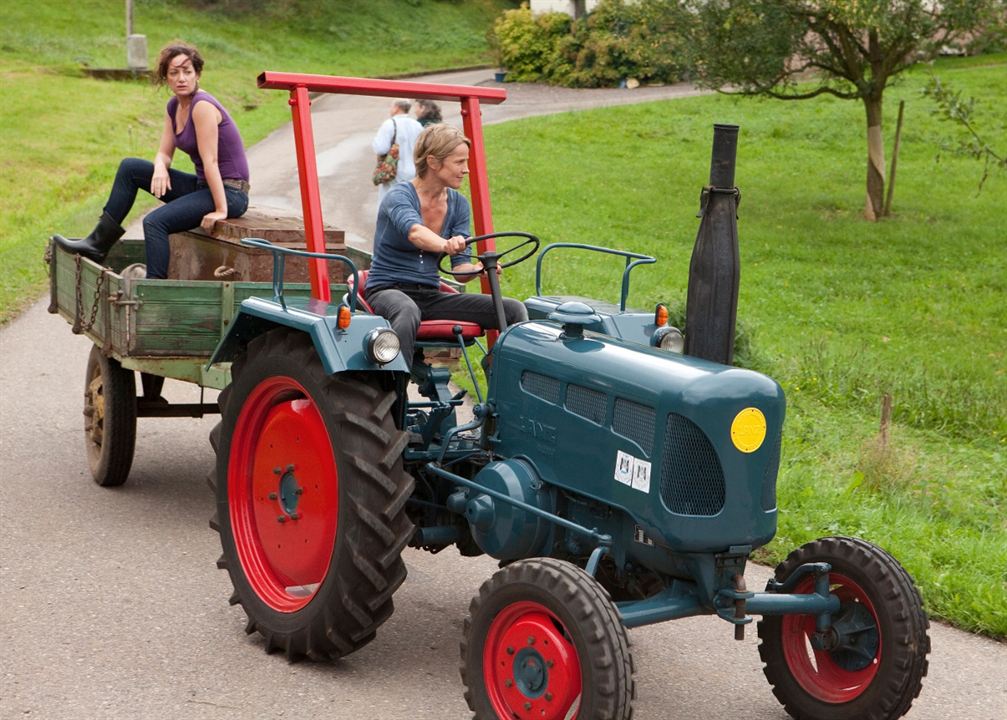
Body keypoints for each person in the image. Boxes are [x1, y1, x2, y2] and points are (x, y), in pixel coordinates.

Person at [54, 41, 250, 279]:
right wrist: (159, 168)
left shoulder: (203, 106)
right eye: (174, 73)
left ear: (198, 74)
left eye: (187, 72)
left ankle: (154, 287)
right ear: (166, 77)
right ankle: (97, 244)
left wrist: (221, 210)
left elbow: (211, 161)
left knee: (155, 222)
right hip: (204, 187)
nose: (181, 78)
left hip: (231, 192)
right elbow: (165, 152)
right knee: (131, 168)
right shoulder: (174, 106)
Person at [366, 124, 528, 367]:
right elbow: (416, 233)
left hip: (430, 296)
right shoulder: (399, 196)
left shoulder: (458, 204)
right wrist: (445, 244)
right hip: (388, 289)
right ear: (433, 162)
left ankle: (500, 375)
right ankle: (394, 390)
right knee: (407, 310)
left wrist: (477, 269)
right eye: (459, 162)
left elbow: (460, 271)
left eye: (466, 162)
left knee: (513, 310)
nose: (466, 170)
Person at [371, 99, 423, 204]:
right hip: (414, 171)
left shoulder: (389, 124)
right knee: (411, 201)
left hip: (395, 171)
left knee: (391, 203)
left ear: (396, 108)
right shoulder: (417, 125)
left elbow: (381, 148)